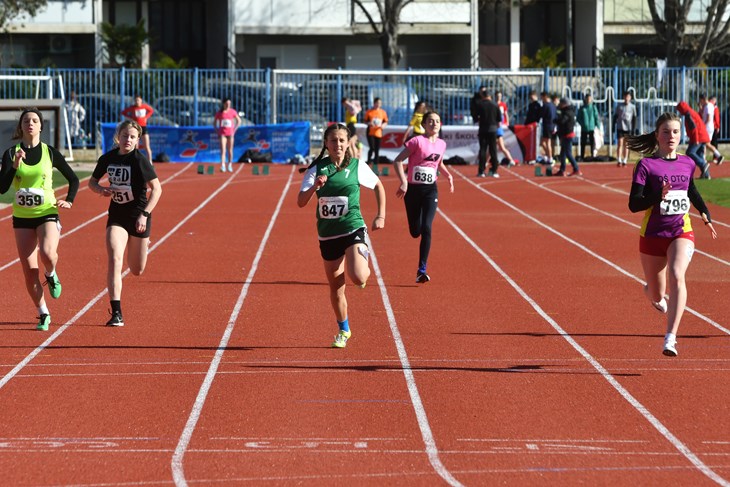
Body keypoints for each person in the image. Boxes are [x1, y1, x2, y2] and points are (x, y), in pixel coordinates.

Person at [626, 112, 717, 356]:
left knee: (678, 275)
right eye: (666, 132)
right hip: (653, 235)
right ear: (657, 135)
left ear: (681, 135)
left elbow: (692, 191)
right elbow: (634, 204)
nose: (671, 136)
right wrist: (658, 196)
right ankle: (651, 292)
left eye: (676, 132)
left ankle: (670, 338)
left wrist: (704, 212)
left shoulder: (687, 162)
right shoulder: (645, 165)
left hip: (680, 231)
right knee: (657, 293)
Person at [297, 123, 386, 348]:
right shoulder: (316, 169)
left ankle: (360, 262)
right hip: (328, 234)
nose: (338, 144)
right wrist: (315, 187)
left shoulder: (357, 166)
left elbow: (378, 186)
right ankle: (343, 330)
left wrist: (380, 215)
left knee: (358, 277)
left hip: (353, 227)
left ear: (348, 144)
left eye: (341, 141)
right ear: (326, 144)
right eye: (333, 140)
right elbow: (300, 202)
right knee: (336, 287)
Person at [0, 108, 79, 331]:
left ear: (41, 126)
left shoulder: (50, 152)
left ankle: (51, 273)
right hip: (22, 216)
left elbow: (73, 179)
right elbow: (2, 187)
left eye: (34, 120)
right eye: (26, 121)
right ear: (21, 127)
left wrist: (69, 200)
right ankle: (43, 312)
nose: (30, 124)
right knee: (28, 270)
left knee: (47, 253)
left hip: (47, 212)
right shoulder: (10, 153)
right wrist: (14, 166)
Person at [88, 120, 163, 327]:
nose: (127, 140)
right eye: (124, 136)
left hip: (138, 215)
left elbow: (157, 189)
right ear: (117, 137)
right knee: (114, 258)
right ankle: (117, 313)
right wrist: (100, 190)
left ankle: (142, 245)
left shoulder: (140, 160)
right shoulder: (108, 158)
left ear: (138, 140)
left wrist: (144, 214)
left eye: (132, 137)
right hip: (117, 216)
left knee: (137, 269)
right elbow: (92, 182)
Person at [392, 111, 454, 283]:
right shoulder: (416, 141)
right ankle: (416, 226)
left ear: (440, 125)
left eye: (437, 121)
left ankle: (421, 270)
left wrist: (448, 175)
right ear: (424, 124)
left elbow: (438, 163)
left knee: (427, 227)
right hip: (412, 190)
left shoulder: (442, 144)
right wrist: (403, 182)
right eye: (430, 121)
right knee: (415, 231)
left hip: (430, 191)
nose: (434, 124)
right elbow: (397, 161)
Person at [676, 101, 711, 179]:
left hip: (698, 137)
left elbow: (694, 128)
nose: (679, 112)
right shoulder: (691, 112)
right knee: (700, 155)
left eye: (679, 110)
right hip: (703, 135)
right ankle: (706, 175)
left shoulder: (688, 115)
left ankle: (703, 164)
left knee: (690, 152)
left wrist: (695, 140)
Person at [473, 87, 501, 178]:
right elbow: (499, 119)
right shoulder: (495, 105)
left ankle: (481, 171)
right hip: (493, 129)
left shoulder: (479, 105)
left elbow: (475, 118)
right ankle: (494, 170)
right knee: (493, 150)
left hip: (483, 129)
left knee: (483, 150)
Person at [121, 95, 154, 163]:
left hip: (143, 127)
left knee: (146, 146)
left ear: (141, 100)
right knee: (135, 146)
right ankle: (135, 161)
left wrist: (146, 117)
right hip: (136, 128)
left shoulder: (144, 106)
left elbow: (151, 111)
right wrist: (130, 117)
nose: (137, 102)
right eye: (136, 100)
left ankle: (150, 162)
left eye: (138, 100)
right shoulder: (133, 108)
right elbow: (123, 112)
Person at [554, 98, 582, 177]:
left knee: (568, 153)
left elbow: (562, 121)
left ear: (565, 104)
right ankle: (562, 170)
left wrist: (556, 120)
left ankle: (576, 168)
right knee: (562, 153)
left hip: (568, 135)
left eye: (561, 103)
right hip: (565, 134)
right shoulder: (566, 111)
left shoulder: (568, 112)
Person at [214, 98, 242, 172]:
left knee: (230, 150)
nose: (228, 105)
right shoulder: (220, 113)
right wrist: (217, 131)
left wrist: (234, 129)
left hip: (230, 134)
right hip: (222, 134)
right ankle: (223, 165)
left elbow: (239, 121)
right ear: (224, 104)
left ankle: (229, 165)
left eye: (229, 104)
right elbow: (214, 123)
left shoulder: (233, 112)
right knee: (223, 150)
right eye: (227, 104)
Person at [699, 94, 723, 165]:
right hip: (708, 127)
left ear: (703, 99)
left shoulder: (709, 106)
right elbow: (703, 115)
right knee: (705, 144)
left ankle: (718, 156)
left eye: (701, 100)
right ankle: (704, 158)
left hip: (708, 127)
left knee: (706, 143)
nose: (700, 102)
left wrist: (703, 125)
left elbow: (709, 118)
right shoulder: (707, 106)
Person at [494, 91, 516, 166]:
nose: (498, 97)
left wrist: (507, 123)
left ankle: (511, 159)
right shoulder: (493, 104)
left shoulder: (503, 105)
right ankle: (485, 162)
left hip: (499, 127)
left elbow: (505, 114)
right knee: (492, 147)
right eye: (497, 96)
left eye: (500, 96)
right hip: (494, 127)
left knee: (500, 147)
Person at [614, 91, 636, 167]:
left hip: (628, 128)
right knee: (620, 143)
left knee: (626, 144)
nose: (627, 98)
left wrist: (633, 129)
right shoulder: (619, 106)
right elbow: (615, 117)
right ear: (623, 97)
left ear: (630, 98)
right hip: (620, 127)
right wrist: (613, 127)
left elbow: (634, 118)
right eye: (625, 97)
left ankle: (625, 159)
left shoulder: (632, 107)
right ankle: (619, 159)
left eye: (628, 97)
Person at [364, 97, 388, 164]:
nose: (378, 104)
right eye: (377, 103)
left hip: (378, 132)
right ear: (374, 103)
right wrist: (369, 123)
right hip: (370, 132)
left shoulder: (383, 112)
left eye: (379, 103)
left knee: (377, 150)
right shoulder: (369, 112)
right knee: (372, 148)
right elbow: (365, 121)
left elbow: (385, 121)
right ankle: (368, 162)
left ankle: (376, 165)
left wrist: (383, 125)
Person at [577, 93, 600, 160]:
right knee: (583, 142)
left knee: (592, 142)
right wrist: (582, 124)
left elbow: (596, 117)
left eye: (590, 99)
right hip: (584, 128)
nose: (588, 100)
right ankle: (582, 156)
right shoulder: (582, 108)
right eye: (587, 99)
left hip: (591, 128)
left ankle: (592, 155)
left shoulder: (593, 107)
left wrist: (597, 126)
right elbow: (578, 118)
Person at [539, 91, 557, 165]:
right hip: (552, 125)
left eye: (542, 97)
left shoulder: (546, 105)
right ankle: (548, 156)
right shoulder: (553, 105)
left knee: (547, 142)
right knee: (544, 142)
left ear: (545, 97)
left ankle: (550, 158)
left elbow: (541, 114)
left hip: (547, 125)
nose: (542, 99)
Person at [709, 95, 723, 165]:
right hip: (711, 127)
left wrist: (717, 126)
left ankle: (716, 157)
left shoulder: (715, 108)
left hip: (713, 127)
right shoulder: (710, 107)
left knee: (714, 143)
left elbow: (717, 118)